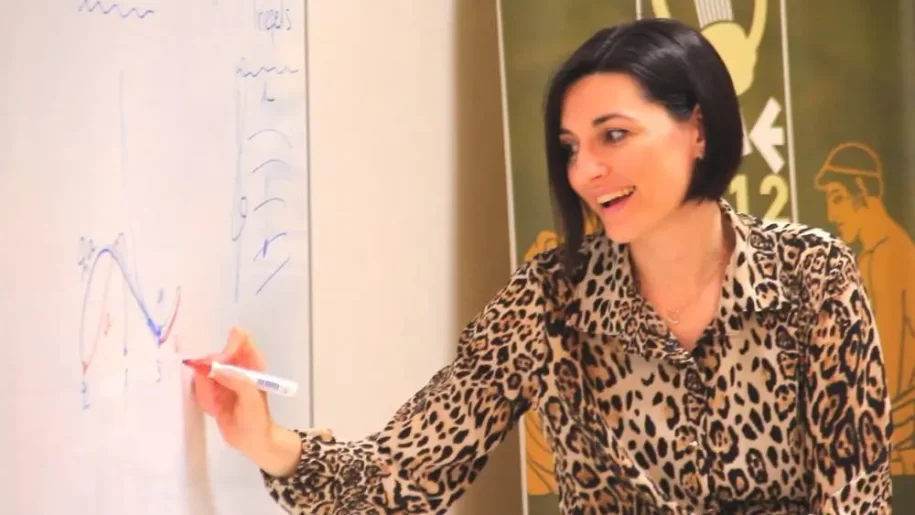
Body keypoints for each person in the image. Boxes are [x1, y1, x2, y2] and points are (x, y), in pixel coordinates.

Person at [190, 18, 893, 514]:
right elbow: (405, 475)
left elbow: (856, 497)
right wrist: (268, 441)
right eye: (569, 147)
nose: (585, 170)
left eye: (613, 135)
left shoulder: (813, 275)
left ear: (698, 128)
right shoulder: (547, 300)